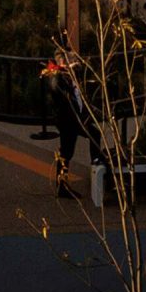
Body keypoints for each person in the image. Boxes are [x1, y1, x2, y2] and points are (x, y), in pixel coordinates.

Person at [43, 56, 87, 199]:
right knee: (66, 151)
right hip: (67, 119)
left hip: (73, 117)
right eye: (67, 60)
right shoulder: (57, 76)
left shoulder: (66, 75)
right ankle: (62, 185)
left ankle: (63, 183)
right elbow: (57, 91)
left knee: (68, 150)